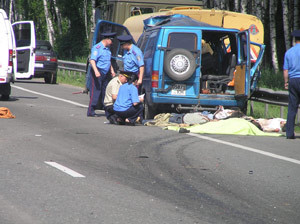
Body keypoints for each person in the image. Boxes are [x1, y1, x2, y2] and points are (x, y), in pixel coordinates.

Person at [87, 32, 116, 117]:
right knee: (96, 91)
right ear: (107, 40)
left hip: (106, 73)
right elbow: (92, 60)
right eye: (111, 41)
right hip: (98, 72)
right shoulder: (97, 48)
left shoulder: (107, 49)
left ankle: (107, 111)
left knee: (106, 92)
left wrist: (112, 70)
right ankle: (91, 111)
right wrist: (96, 71)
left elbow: (108, 61)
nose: (112, 43)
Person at [283, 29, 300, 139]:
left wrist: (286, 82)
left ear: (294, 40)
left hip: (293, 80)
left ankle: (289, 133)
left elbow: (285, 70)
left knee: (292, 107)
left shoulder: (289, 52)